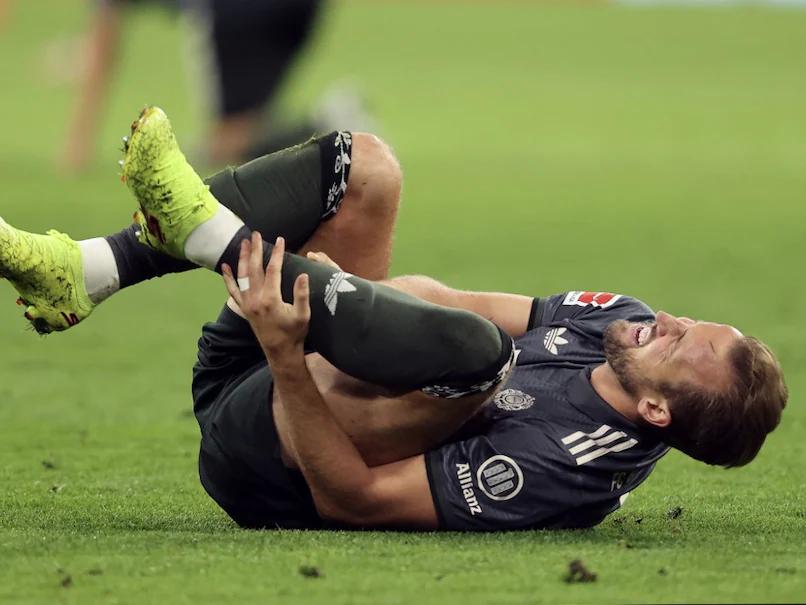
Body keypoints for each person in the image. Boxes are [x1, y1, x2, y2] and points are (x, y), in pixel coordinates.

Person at [0, 107, 787, 530]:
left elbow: (354, 499)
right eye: (694, 318)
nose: (672, 320)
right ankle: (88, 271)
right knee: (368, 168)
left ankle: (212, 237)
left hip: (270, 456)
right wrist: (340, 295)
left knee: (481, 361)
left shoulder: (563, 472)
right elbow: (438, 297)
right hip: (295, 355)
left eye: (685, 345)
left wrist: (286, 357)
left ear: (657, 409)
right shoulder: (623, 320)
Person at [59, 0, 336, 172]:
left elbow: (102, 48)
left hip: (233, 10)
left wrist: (77, 144)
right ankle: (325, 135)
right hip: (303, 7)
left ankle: (324, 128)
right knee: (244, 133)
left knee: (220, 149)